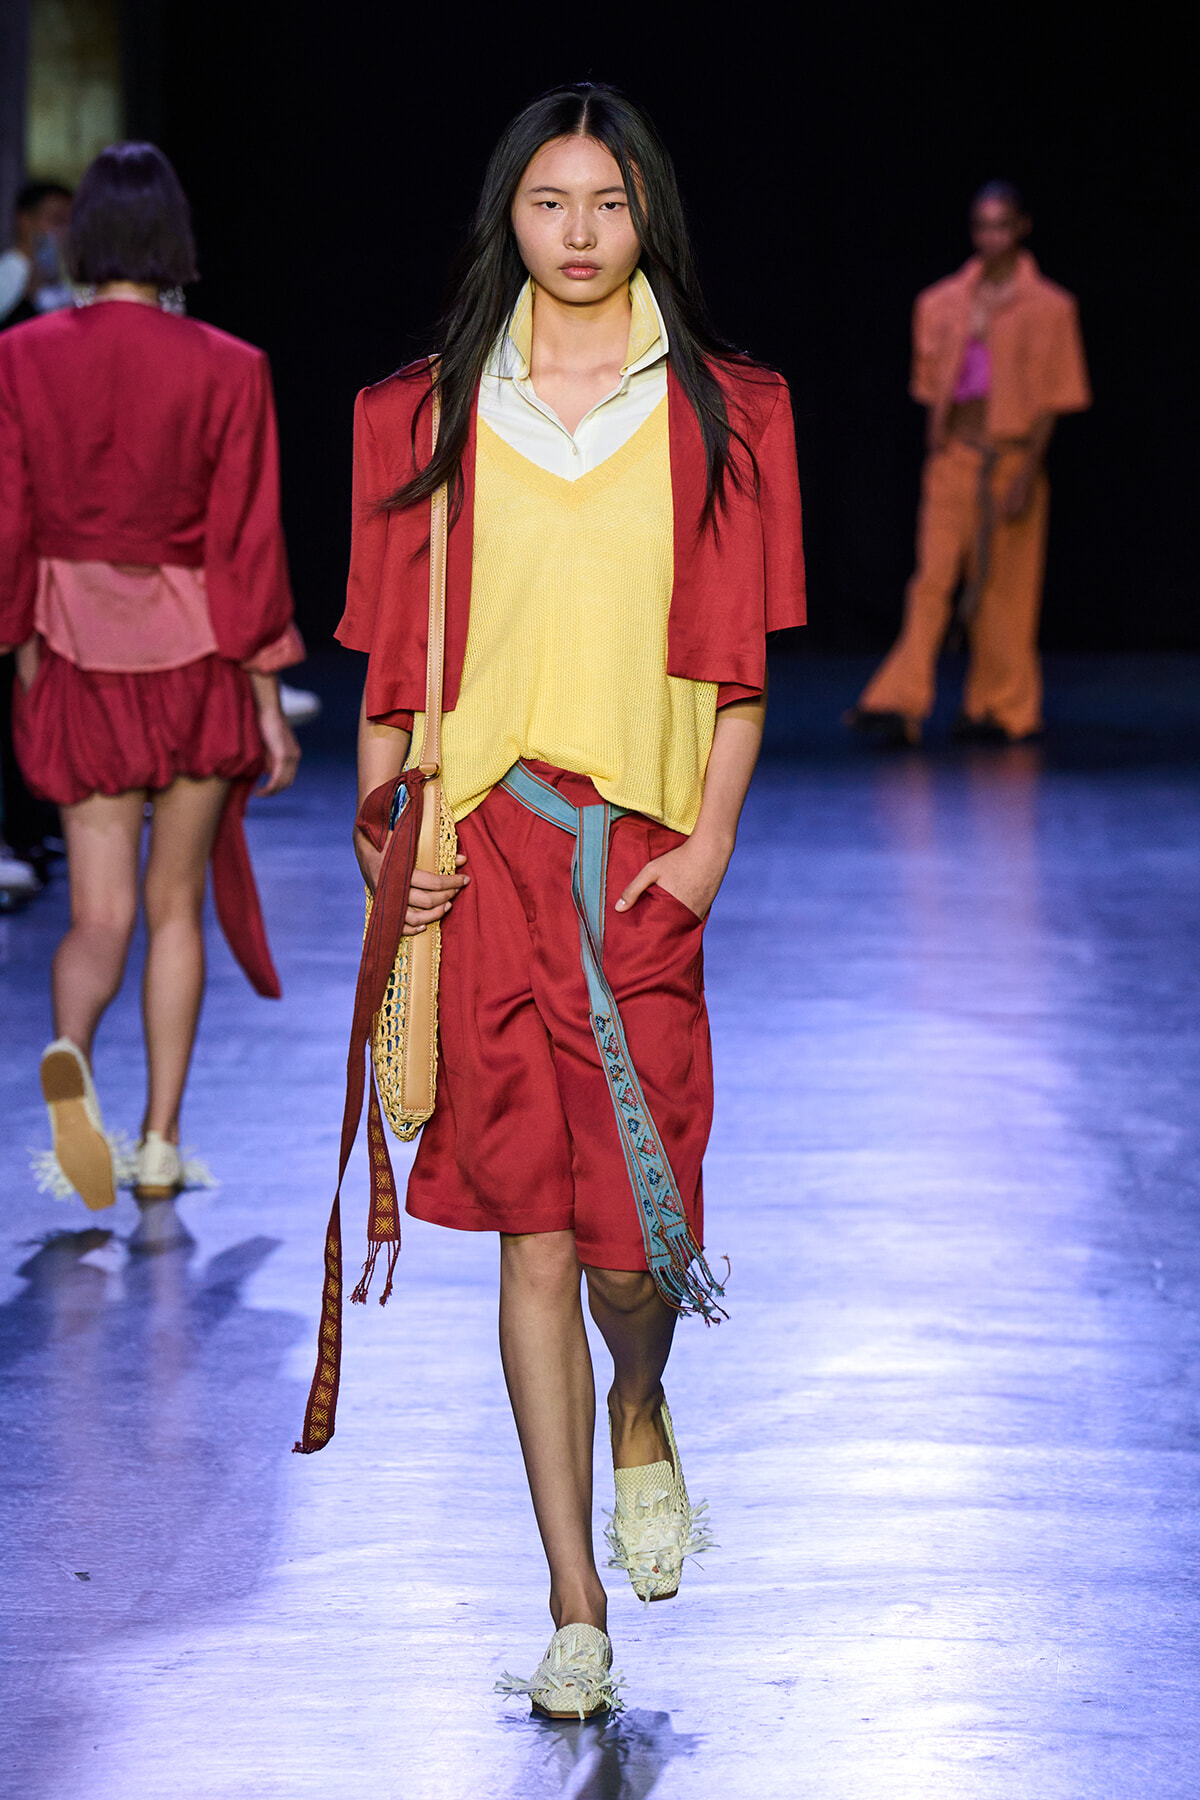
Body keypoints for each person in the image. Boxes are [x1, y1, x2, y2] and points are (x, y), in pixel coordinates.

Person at [300, 84, 805, 1718]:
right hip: (482, 855)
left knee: (631, 1242)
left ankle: (643, 1407)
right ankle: (572, 1598)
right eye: (549, 202)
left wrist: (709, 851)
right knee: (528, 1229)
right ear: (507, 217)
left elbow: (739, 676)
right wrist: (388, 836)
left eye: (606, 201)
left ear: (645, 212)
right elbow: (386, 675)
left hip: (640, 855)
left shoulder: (726, 412)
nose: (578, 232)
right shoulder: (423, 412)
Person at [0, 142, 302, 1219]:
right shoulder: (230, 365)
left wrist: (21, 642)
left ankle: (70, 1054)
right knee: (176, 911)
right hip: (197, 659)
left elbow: (7, 519)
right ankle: (162, 1141)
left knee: (99, 915)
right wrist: (268, 693)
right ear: (175, 240)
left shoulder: (24, 357)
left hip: (77, 652)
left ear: (81, 236)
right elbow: (248, 544)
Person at [846, 181, 1090, 746]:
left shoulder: (1051, 308)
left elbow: (1056, 395)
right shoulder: (941, 303)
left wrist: (1028, 470)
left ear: (1022, 228)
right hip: (955, 458)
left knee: (1006, 590)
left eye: (1002, 225)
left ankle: (1000, 707)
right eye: (982, 225)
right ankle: (898, 701)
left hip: (1012, 461)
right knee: (932, 581)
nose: (991, 237)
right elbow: (930, 386)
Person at [0, 181, 75, 888]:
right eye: (50, 220)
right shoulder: (15, 277)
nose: (61, 231)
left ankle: (31, 831)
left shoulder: (54, 296)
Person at [0, 180, 74, 327]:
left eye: (70, 222)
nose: (63, 231)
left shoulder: (56, 275)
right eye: (56, 220)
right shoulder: (12, 269)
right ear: (25, 220)